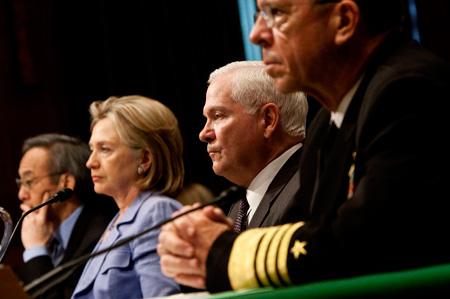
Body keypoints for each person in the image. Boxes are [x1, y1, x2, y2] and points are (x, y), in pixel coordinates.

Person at [157, 0, 450, 294]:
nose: (256, 33)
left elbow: (364, 245)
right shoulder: (327, 122)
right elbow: (307, 231)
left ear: (344, 21)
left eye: (277, 14)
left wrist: (224, 254)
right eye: (259, 14)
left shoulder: (409, 91)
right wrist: (205, 244)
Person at [71, 95, 183, 299]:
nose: (90, 162)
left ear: (145, 158)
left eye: (104, 149)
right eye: (91, 149)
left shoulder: (156, 211)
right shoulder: (119, 219)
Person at [199, 61, 307, 229]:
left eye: (218, 116)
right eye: (207, 119)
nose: (204, 134)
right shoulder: (240, 206)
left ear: (268, 120)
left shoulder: (308, 188)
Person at [14, 133, 117, 299]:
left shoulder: (100, 237)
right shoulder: (46, 236)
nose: (21, 194)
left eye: (29, 181)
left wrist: (35, 251)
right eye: (20, 183)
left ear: (66, 183)